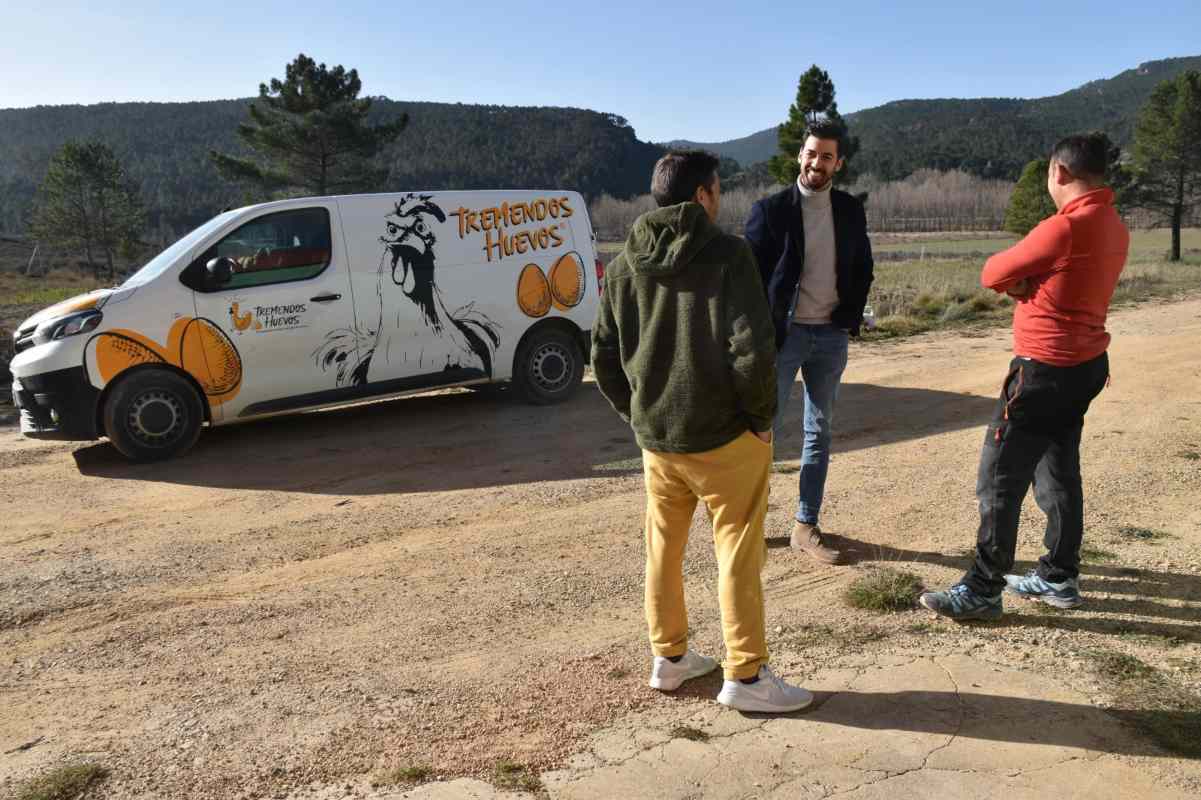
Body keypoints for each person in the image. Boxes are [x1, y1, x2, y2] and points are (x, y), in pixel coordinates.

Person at [592, 149, 812, 713]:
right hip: (724, 438)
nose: (720, 198)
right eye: (718, 190)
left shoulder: (621, 266)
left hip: (659, 443)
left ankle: (668, 659)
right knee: (737, 549)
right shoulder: (728, 256)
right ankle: (747, 674)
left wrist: (639, 415)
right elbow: (752, 349)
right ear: (702, 197)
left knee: (662, 547)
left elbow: (605, 358)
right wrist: (761, 420)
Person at [920, 133, 1129, 620]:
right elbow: (1061, 282)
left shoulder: (1063, 227)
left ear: (1057, 172)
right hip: (1085, 367)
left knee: (999, 478)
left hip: (1042, 371)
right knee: (1059, 469)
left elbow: (992, 271)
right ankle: (1059, 576)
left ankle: (983, 587)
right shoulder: (1114, 224)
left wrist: (1025, 287)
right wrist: (1036, 287)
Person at [743, 121, 874, 565]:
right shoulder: (771, 210)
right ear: (800, 155)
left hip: (830, 336)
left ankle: (805, 524)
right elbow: (749, 279)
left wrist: (849, 317)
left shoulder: (850, 210)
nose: (816, 163)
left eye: (826, 156)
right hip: (784, 338)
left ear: (839, 163)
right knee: (763, 432)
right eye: (810, 153)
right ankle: (746, 527)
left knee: (819, 431)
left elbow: (864, 267)